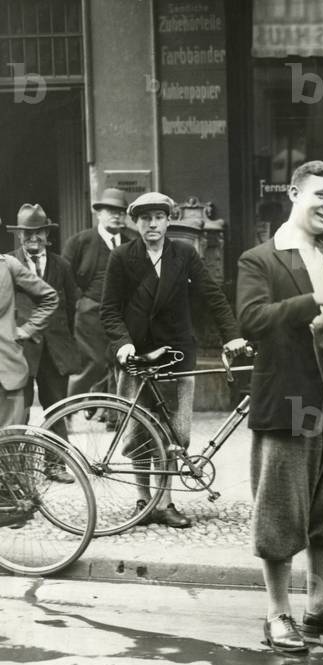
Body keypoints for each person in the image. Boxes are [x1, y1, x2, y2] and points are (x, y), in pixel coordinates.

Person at [236, 161, 323, 653]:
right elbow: (251, 320)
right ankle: (278, 612)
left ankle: (321, 606)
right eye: (322, 196)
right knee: (282, 508)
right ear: (294, 192)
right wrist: (315, 300)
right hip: (290, 395)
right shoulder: (260, 259)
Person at [101, 192, 247, 528]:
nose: (152, 224)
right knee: (137, 430)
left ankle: (164, 503)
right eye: (145, 218)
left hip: (177, 353)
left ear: (169, 220)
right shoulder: (122, 258)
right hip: (137, 355)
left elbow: (213, 295)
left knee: (174, 432)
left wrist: (232, 334)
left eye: (159, 217)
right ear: (135, 222)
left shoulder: (184, 254)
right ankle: (142, 499)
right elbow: (109, 309)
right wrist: (123, 343)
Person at [8, 204, 81, 476]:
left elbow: (72, 305)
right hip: (22, 350)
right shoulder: (9, 263)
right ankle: (17, 468)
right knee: (19, 409)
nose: (33, 239)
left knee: (58, 407)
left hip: (55, 350)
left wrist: (64, 338)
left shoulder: (62, 265)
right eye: (28, 234)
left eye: (38, 233)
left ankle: (55, 465)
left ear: (46, 235)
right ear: (19, 236)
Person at [63, 188, 139, 399]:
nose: (116, 216)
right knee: (93, 363)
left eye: (121, 212)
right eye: (110, 210)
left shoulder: (132, 241)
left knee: (122, 361)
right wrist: (81, 303)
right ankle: (65, 411)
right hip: (90, 313)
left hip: (123, 314)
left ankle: (115, 416)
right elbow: (66, 278)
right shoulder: (80, 241)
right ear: (98, 213)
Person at [1, 249, 58, 427]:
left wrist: (28, 329)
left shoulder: (8, 264)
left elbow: (49, 297)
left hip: (6, 371)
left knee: (10, 444)